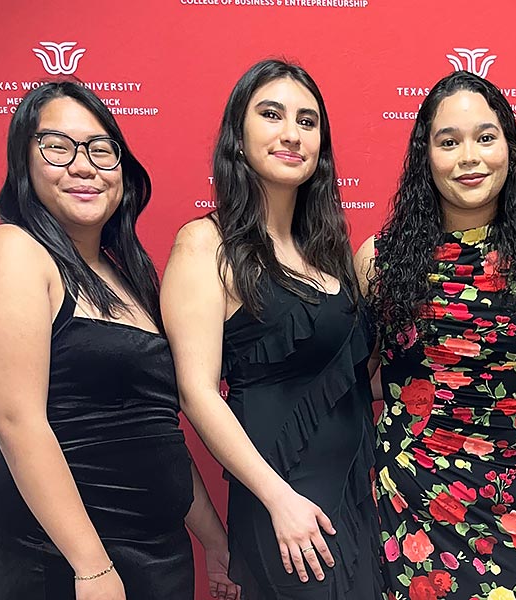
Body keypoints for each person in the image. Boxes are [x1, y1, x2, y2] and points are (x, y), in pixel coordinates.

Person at [0, 81, 236, 600]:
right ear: (23, 162)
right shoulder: (13, 250)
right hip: (62, 558)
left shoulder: (130, 278)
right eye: (58, 146)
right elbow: (15, 422)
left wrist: (214, 541)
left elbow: (153, 429)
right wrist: (91, 567)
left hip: (158, 550)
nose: (84, 166)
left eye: (101, 149)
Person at [355, 70, 516, 600]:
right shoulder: (380, 260)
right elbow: (364, 376)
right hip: (412, 496)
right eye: (448, 141)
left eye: (485, 137)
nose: (469, 157)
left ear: (511, 147)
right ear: (425, 156)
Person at [161, 59, 380, 600]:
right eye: (272, 114)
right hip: (283, 506)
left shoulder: (326, 251)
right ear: (239, 133)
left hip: (351, 497)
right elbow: (196, 391)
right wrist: (277, 499)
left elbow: (350, 378)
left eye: (307, 122)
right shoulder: (205, 244)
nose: (291, 133)